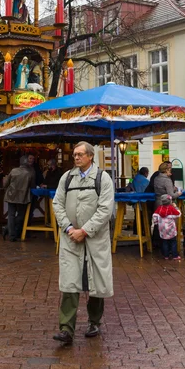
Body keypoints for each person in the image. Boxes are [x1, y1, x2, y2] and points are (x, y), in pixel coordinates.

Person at [52, 141, 114, 345]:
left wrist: (85, 231)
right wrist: (69, 228)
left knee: (95, 282)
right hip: (71, 239)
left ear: (90, 156)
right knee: (69, 282)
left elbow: (105, 210)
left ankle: (94, 322)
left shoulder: (102, 179)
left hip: (95, 240)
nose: (76, 158)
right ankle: (66, 329)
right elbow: (57, 204)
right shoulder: (67, 178)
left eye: (80, 154)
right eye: (74, 155)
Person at [3, 155, 34, 242]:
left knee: (11, 215)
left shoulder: (13, 171)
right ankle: (8, 229)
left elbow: (5, 184)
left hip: (11, 195)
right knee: (21, 216)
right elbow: (32, 186)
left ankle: (11, 234)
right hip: (22, 196)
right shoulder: (29, 173)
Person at [152, 193, 181, 260]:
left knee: (164, 242)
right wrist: (176, 207)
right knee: (173, 242)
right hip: (171, 229)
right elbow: (178, 214)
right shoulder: (171, 208)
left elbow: (154, 216)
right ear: (170, 201)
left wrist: (156, 223)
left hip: (162, 229)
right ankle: (175, 255)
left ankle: (166, 255)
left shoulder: (159, 208)